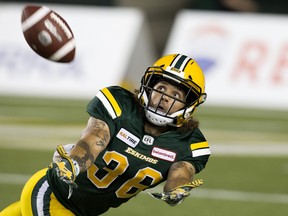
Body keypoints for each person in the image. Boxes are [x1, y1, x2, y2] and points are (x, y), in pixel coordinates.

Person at [0, 53, 211, 216]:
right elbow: (94, 139)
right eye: (162, 88)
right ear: (148, 86)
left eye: (176, 95)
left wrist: (177, 189)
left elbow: (181, 172)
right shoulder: (121, 106)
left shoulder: (189, 144)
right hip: (53, 194)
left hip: (82, 211)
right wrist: (74, 162)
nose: (165, 98)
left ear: (190, 105)